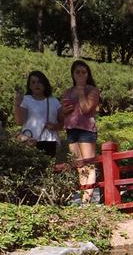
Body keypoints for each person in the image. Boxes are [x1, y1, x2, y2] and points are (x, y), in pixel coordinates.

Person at [59, 60, 101, 204]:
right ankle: (84, 198)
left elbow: (86, 109)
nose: (80, 75)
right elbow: (61, 113)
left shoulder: (92, 90)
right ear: (73, 74)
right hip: (71, 129)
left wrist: (82, 91)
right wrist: (63, 111)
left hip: (86, 130)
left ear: (88, 74)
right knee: (79, 166)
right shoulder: (67, 92)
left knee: (88, 164)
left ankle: (87, 200)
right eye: (77, 72)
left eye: (84, 72)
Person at [13, 71, 61, 156]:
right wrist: (17, 105)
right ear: (30, 86)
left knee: (48, 168)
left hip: (49, 141)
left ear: (44, 83)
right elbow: (19, 122)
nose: (36, 85)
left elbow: (62, 124)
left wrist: (55, 126)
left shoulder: (54, 101)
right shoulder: (26, 99)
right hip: (29, 141)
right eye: (33, 82)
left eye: (39, 82)